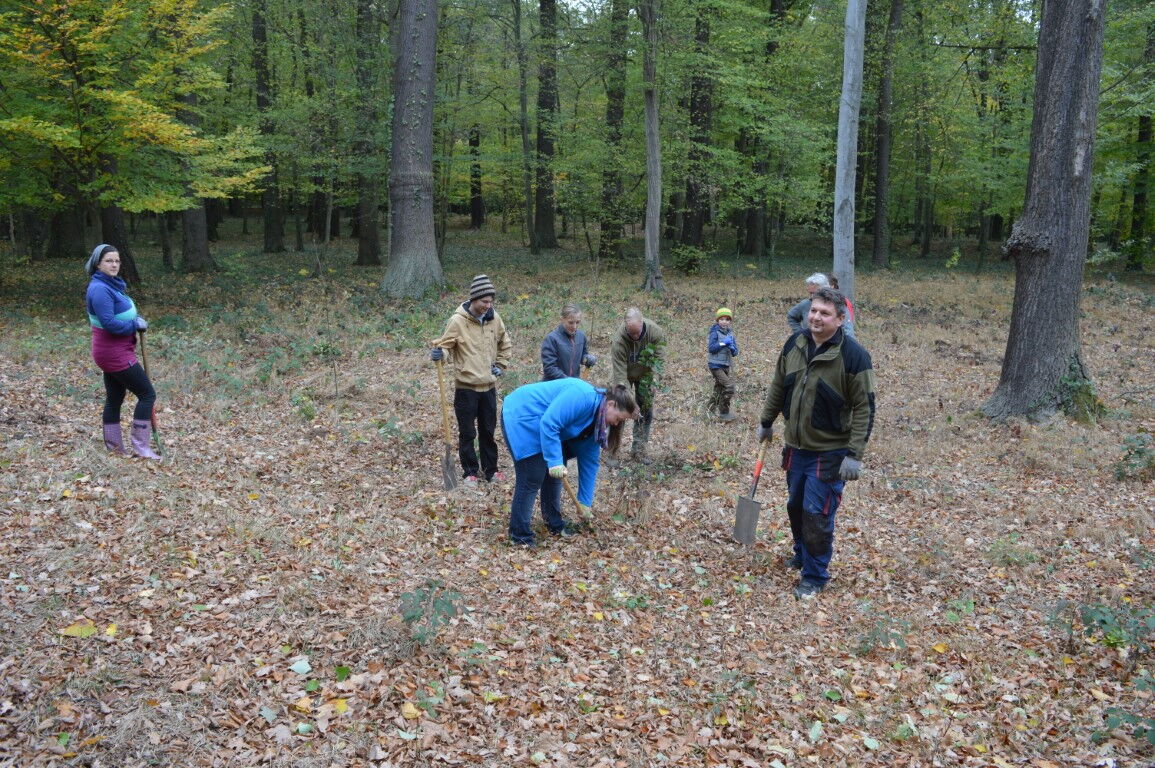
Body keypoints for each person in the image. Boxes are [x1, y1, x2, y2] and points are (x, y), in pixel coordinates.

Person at [757, 286, 875, 600]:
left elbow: (865, 406)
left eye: (824, 313)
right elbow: (778, 385)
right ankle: (801, 554)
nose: (815, 317)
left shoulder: (854, 357)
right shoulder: (794, 343)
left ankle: (815, 575)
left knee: (817, 514)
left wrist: (854, 455)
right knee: (795, 506)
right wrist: (766, 422)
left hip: (830, 451)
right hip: (796, 446)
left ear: (840, 319)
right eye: (813, 310)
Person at [501, 379, 637, 547]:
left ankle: (554, 523)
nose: (617, 424)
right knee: (532, 476)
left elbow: (590, 464)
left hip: (544, 425)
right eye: (618, 418)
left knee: (556, 474)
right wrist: (554, 461)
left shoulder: (597, 425)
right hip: (522, 414)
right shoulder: (582, 396)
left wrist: (584, 503)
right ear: (611, 404)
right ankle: (519, 536)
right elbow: (550, 423)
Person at [430, 274, 513, 486]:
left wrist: (501, 365)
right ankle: (470, 472)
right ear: (474, 299)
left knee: (488, 431)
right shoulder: (457, 321)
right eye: (484, 301)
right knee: (468, 432)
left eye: (491, 301)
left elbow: (505, 343)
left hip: (489, 387)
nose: (488, 305)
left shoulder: (495, 319)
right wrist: (441, 355)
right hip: (466, 388)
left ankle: (491, 470)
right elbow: (446, 346)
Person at [85, 244, 159, 460]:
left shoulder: (110, 285)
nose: (114, 264)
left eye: (117, 260)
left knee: (115, 398)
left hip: (113, 351)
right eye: (109, 260)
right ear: (98, 263)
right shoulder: (100, 289)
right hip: (114, 353)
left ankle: (115, 449)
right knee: (147, 394)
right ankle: (141, 447)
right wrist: (134, 325)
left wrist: (133, 320)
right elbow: (109, 323)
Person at [610, 307, 666, 462]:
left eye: (637, 332)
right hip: (624, 374)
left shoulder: (655, 332)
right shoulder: (619, 340)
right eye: (631, 333)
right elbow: (620, 374)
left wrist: (655, 378)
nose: (634, 336)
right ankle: (612, 450)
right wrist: (629, 402)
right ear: (625, 326)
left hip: (646, 374)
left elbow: (659, 358)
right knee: (619, 408)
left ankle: (639, 450)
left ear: (642, 322)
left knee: (645, 409)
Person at [541, 303, 596, 380]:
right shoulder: (551, 339)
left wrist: (587, 359)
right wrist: (567, 381)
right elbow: (549, 368)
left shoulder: (581, 336)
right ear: (562, 319)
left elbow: (583, 355)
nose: (574, 326)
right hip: (554, 385)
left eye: (577, 322)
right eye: (570, 322)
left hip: (572, 384)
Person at [707, 307, 739, 422]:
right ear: (717, 320)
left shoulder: (730, 334)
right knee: (729, 386)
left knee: (718, 390)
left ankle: (709, 411)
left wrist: (732, 347)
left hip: (726, 365)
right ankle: (724, 412)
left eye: (727, 319)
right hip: (715, 365)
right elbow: (711, 348)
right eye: (722, 319)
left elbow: (735, 352)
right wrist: (723, 343)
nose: (724, 321)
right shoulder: (714, 332)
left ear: (730, 321)